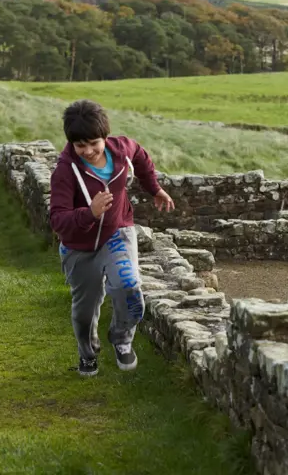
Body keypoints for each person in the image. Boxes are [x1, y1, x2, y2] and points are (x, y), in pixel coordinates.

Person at [49, 99, 175, 377]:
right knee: (85, 312)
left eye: (94, 143)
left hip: (117, 233)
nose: (88, 151)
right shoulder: (65, 172)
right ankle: (88, 353)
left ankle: (122, 338)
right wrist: (89, 213)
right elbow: (58, 220)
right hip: (79, 247)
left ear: (105, 136)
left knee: (130, 289)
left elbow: (141, 157)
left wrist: (154, 188)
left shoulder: (122, 149)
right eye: (80, 146)